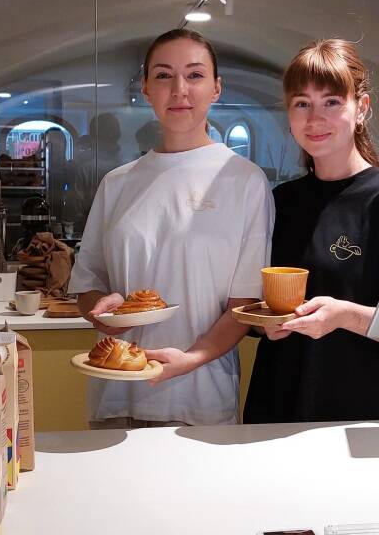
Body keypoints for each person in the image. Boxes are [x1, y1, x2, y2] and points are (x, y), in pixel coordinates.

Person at [69, 29, 274, 427]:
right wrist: (102, 311)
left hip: (200, 401)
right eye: (164, 76)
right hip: (117, 393)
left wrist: (190, 359)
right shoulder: (118, 182)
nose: (179, 89)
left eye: (195, 75)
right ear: (146, 89)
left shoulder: (244, 180)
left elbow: (243, 306)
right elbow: (86, 285)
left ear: (216, 88)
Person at [243, 39, 379, 424]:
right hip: (280, 405)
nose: (314, 118)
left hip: (365, 417)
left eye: (331, 102)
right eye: (302, 103)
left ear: (361, 108)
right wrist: (263, 323)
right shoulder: (280, 201)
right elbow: (254, 307)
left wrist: (344, 316)